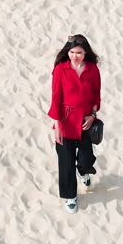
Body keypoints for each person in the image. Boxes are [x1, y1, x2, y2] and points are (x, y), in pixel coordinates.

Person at [47, 34, 101, 213]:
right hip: (65, 121)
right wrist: (58, 125)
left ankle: (84, 171)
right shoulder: (60, 70)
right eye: (71, 52)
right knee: (66, 162)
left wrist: (93, 115)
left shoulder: (93, 70)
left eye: (78, 52)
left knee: (86, 159)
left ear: (85, 52)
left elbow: (96, 94)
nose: (74, 56)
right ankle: (71, 196)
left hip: (85, 121)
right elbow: (56, 98)